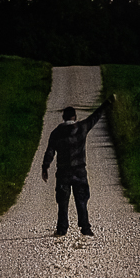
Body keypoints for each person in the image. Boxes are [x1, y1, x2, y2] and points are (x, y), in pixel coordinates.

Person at [40, 95, 112, 236]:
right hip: (79, 172)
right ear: (75, 116)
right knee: (82, 201)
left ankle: (62, 229)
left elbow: (50, 151)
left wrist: (45, 167)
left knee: (62, 202)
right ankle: (85, 228)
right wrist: (107, 103)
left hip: (63, 173)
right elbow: (95, 116)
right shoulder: (82, 127)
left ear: (63, 117)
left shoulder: (56, 132)